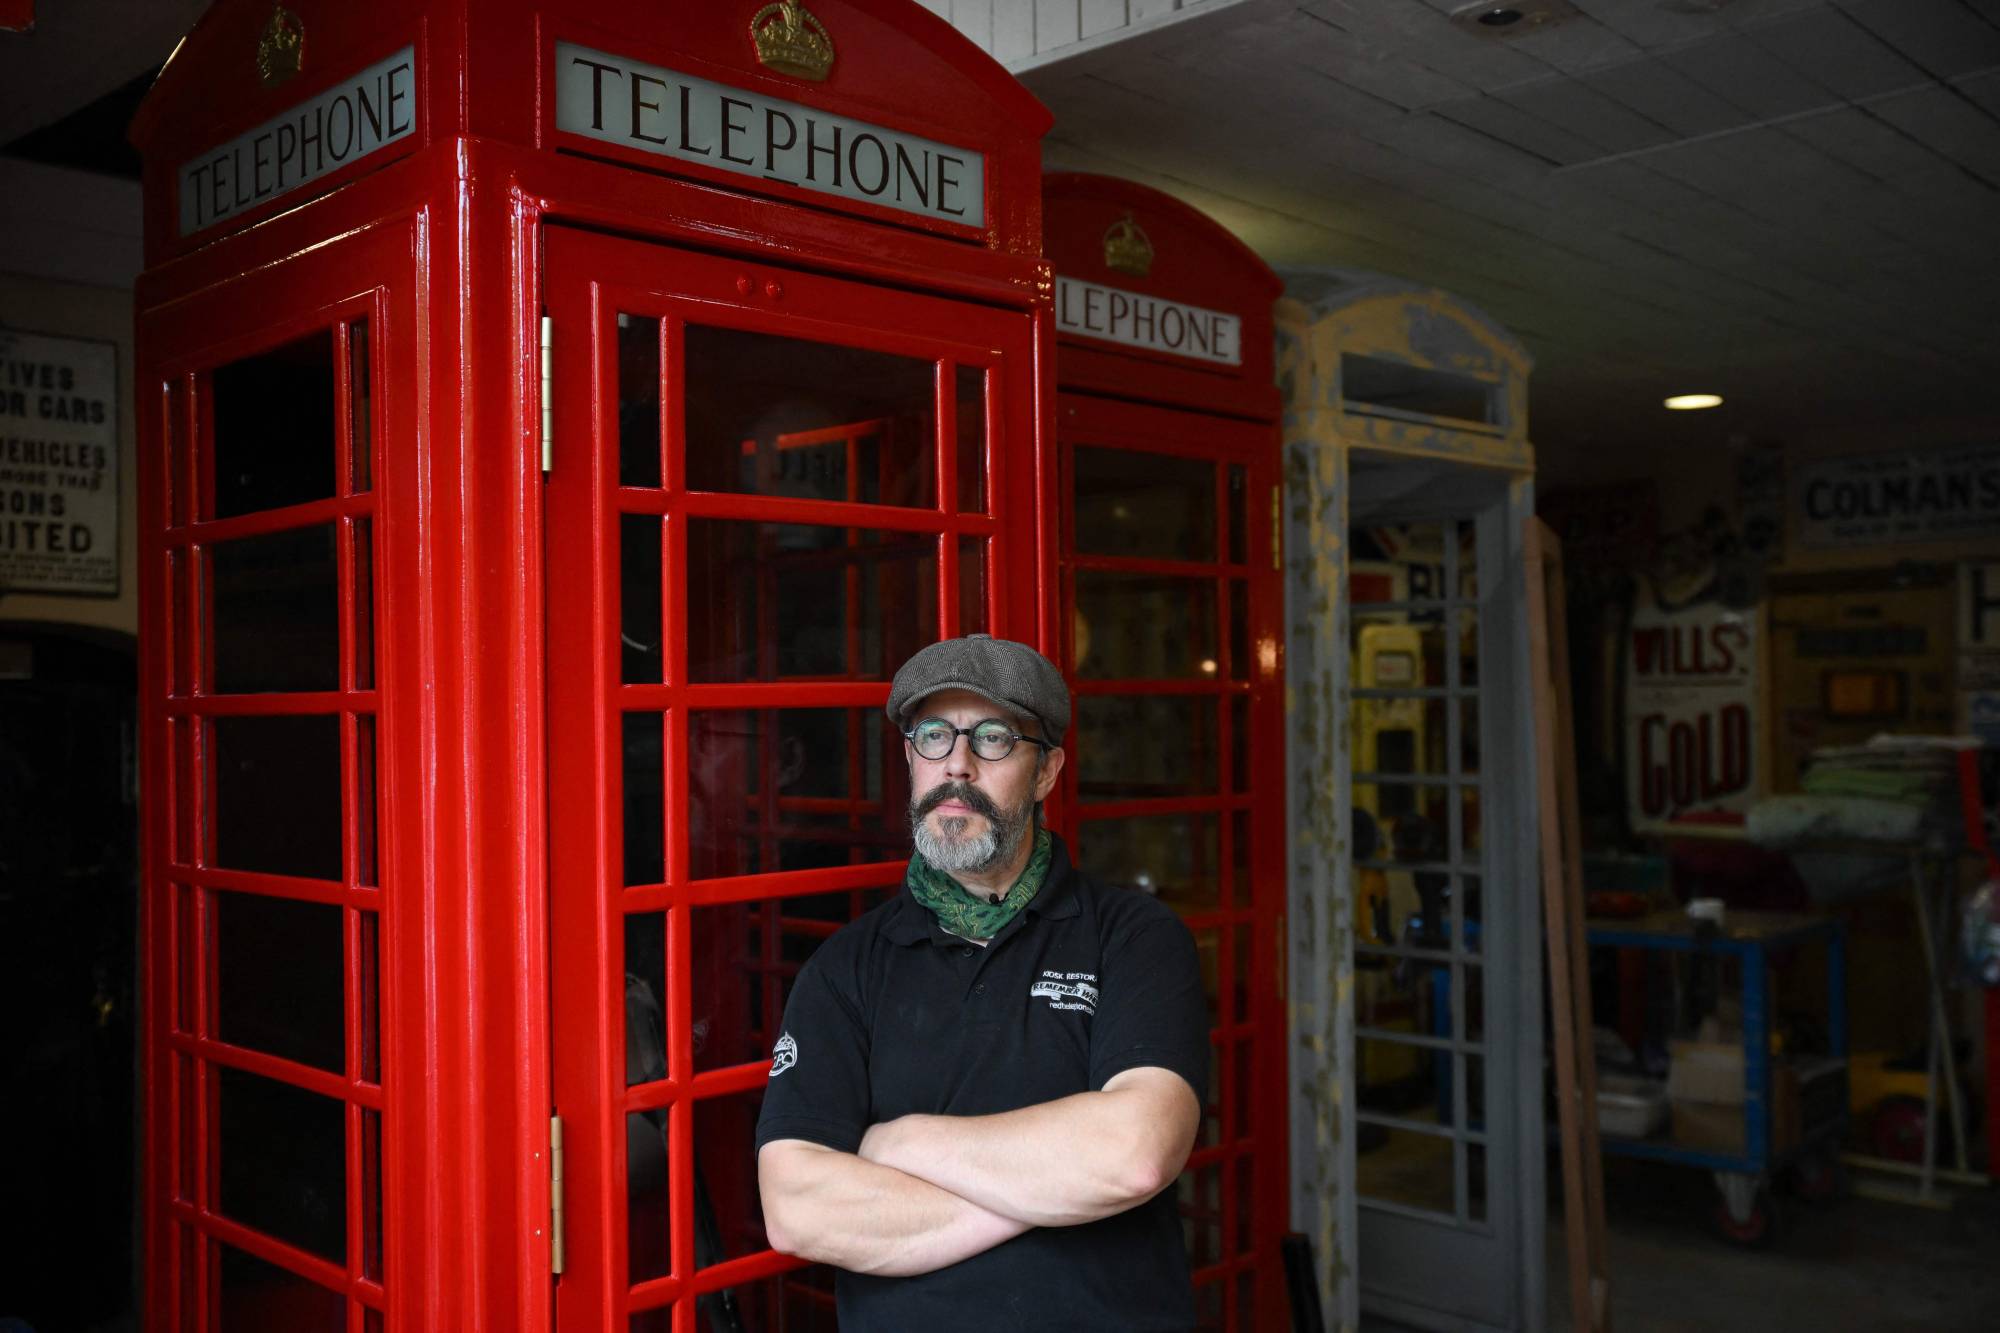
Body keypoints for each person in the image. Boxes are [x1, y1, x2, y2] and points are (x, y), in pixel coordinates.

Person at [755, 633, 1209, 1330]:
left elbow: (1135, 1155)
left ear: (1047, 770)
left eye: (993, 738)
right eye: (934, 735)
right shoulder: (845, 968)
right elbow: (796, 1209)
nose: (957, 765)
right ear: (910, 757)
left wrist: (896, 1143)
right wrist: (1052, 1189)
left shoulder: (1134, 937)